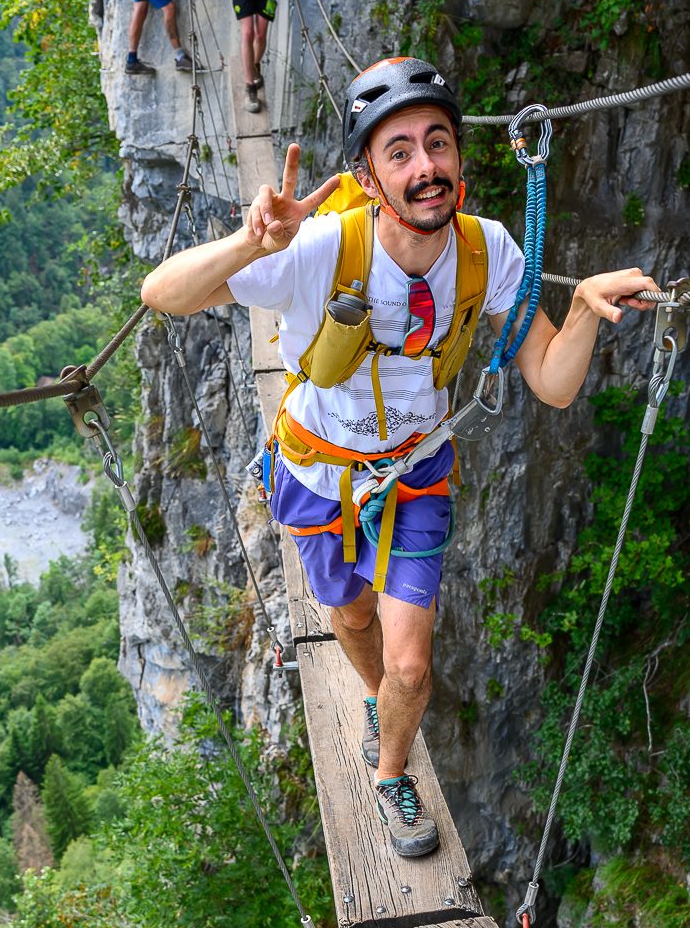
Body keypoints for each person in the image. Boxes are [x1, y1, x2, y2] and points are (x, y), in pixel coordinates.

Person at [140, 56, 658, 859]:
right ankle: (382, 698)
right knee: (348, 616)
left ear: (460, 157)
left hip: (415, 474)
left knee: (411, 668)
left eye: (439, 143)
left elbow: (554, 384)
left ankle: (389, 772)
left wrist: (584, 305)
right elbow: (162, 294)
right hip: (317, 472)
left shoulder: (488, 255)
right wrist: (251, 242)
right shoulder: (321, 249)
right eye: (401, 151)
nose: (426, 167)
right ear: (369, 177)